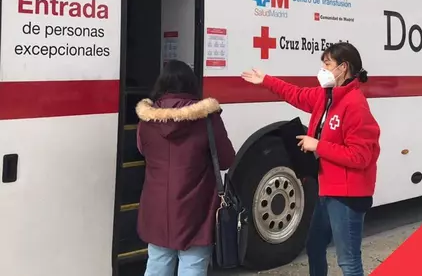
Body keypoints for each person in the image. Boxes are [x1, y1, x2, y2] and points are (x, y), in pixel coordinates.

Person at [242, 42, 381, 276]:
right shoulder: (326, 97)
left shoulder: (355, 104)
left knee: (348, 261)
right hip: (327, 191)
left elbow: (361, 156)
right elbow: (294, 94)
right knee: (314, 247)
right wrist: (266, 80)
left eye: (327, 64)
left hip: (347, 196)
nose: (323, 70)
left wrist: (318, 145)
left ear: (343, 68)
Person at [135, 60, 236, 276]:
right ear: (192, 84)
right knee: (193, 264)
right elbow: (227, 160)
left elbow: (143, 151)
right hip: (196, 207)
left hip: (157, 205)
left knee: (158, 262)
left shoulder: (146, 120)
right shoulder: (208, 118)